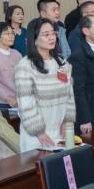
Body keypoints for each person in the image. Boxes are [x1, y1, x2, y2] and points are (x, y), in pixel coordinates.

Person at [14, 18, 75, 152]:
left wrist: (67, 121)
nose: (52, 37)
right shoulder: (25, 67)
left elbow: (70, 95)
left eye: (53, 33)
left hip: (60, 131)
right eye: (46, 35)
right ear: (34, 40)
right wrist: (38, 131)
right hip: (36, 134)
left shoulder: (62, 63)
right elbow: (25, 103)